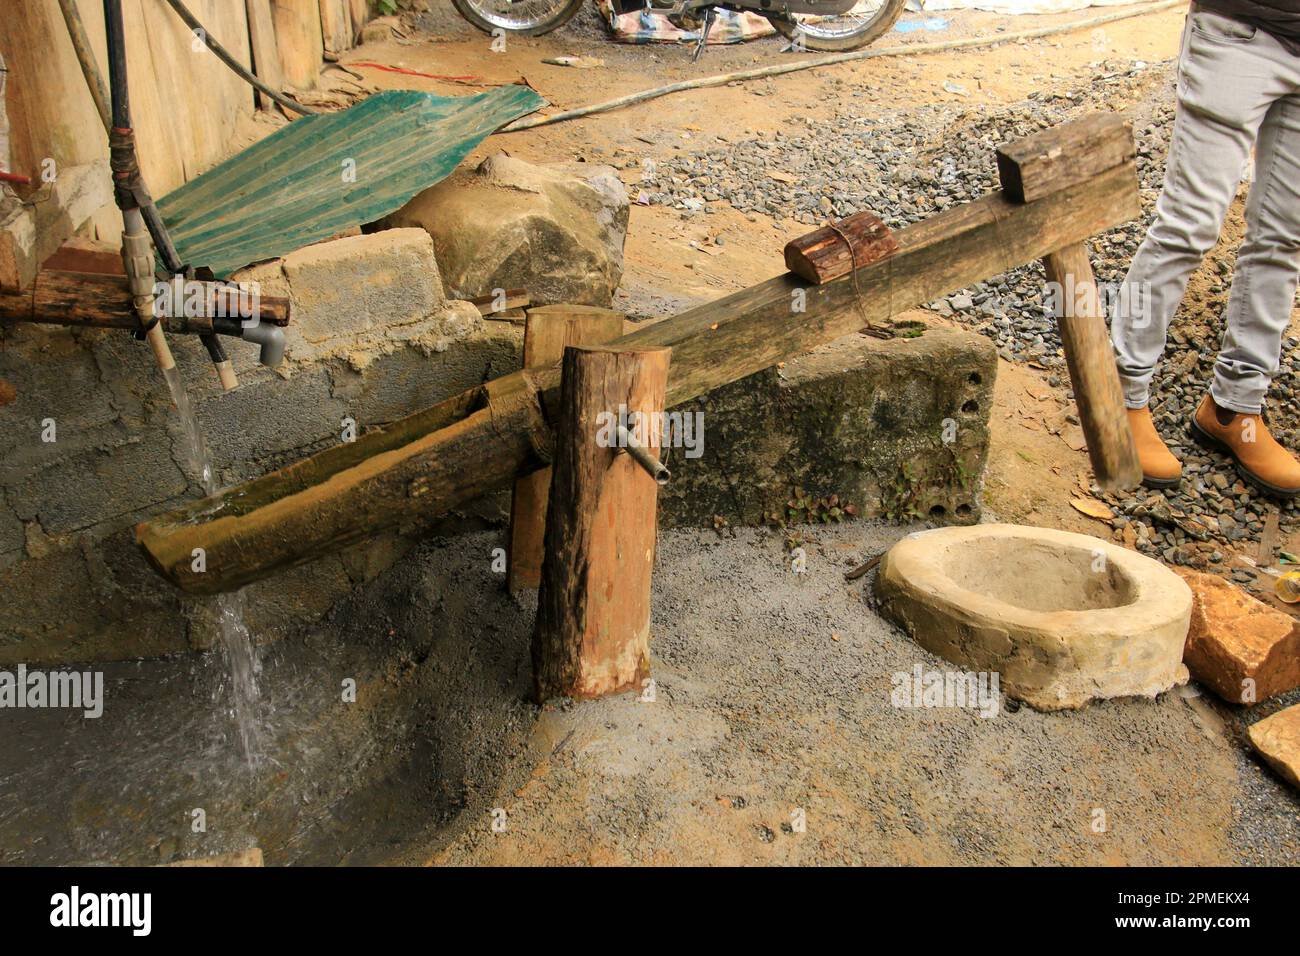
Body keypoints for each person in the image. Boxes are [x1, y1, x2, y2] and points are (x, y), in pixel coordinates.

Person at [1110, 1, 1300, 495]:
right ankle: (1120, 398)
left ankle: (1234, 408)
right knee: (1188, 226)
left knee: (1283, 239)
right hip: (1242, 30)